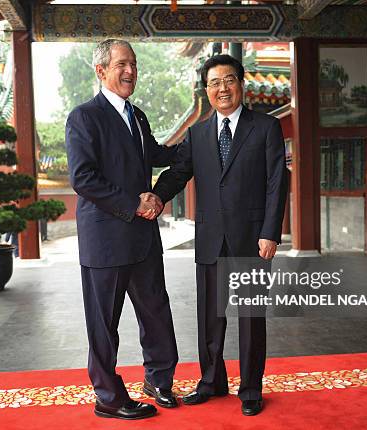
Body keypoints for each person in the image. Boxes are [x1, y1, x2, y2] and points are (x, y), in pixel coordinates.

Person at [151, 54, 288, 416]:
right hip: (211, 238)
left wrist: (270, 231)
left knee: (250, 318)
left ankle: (251, 388)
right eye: (214, 83)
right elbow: (179, 173)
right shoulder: (197, 134)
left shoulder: (265, 128)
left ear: (241, 84)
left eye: (228, 80)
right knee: (210, 316)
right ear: (207, 90)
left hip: (252, 240)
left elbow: (277, 182)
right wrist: (156, 196)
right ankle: (211, 380)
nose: (222, 88)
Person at [65, 39, 179, 420]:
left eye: (134, 64)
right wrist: (134, 203)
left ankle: (158, 380)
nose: (130, 71)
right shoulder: (84, 117)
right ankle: (108, 397)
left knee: (157, 312)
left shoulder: (138, 116)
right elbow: (83, 178)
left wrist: (203, 141)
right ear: (101, 71)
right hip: (106, 240)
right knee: (103, 324)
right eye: (121, 65)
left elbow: (158, 155)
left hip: (143, 238)